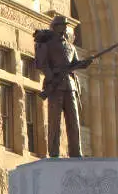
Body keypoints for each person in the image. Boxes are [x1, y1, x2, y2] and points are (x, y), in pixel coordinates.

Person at [34, 15, 92, 157]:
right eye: (62, 25)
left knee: (74, 120)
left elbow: (75, 64)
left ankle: (76, 152)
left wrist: (85, 63)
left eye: (65, 26)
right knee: (55, 121)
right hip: (56, 86)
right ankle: (54, 152)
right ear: (56, 27)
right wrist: (51, 76)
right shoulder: (47, 45)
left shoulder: (71, 47)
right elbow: (41, 63)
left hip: (70, 86)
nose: (65, 28)